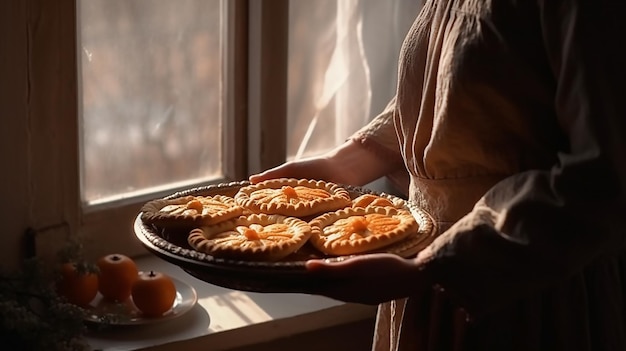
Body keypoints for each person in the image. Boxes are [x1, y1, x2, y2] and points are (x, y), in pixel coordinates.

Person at [251, 1, 626, 350]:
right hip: (431, 271)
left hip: (526, 292)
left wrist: (434, 267)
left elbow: (601, 177)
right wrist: (343, 165)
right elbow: (462, 87)